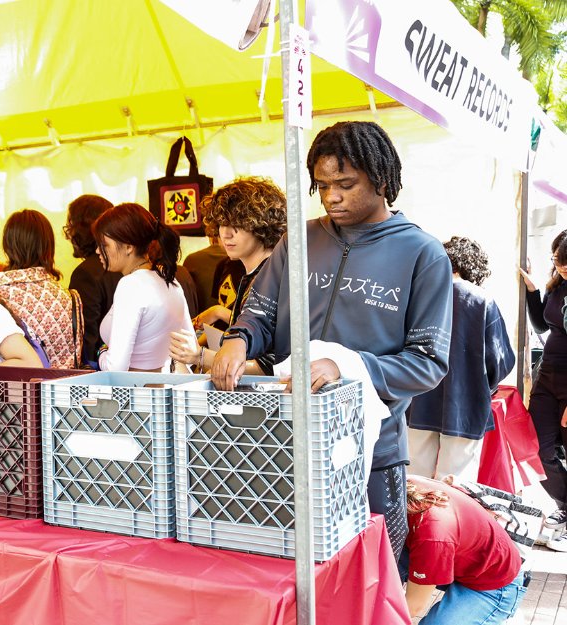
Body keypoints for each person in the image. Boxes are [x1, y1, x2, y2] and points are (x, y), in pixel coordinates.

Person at [210, 121, 453, 562]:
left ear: (382, 180)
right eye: (321, 185)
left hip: (371, 452)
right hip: (279, 440)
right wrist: (238, 340)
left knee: (372, 574)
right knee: (287, 566)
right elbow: (261, 313)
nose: (331, 197)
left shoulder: (423, 253)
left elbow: (428, 362)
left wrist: (347, 367)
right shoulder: (298, 239)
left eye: (345, 183)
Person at [407, 237, 514, 482]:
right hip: (465, 405)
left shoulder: (416, 294)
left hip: (417, 401)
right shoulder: (481, 300)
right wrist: (486, 387)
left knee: (413, 481)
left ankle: (414, 522)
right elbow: (500, 359)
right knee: (455, 484)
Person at [169, 177, 287, 374]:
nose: (226, 234)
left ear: (262, 225)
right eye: (222, 224)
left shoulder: (271, 278)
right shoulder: (252, 274)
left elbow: (273, 365)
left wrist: (200, 356)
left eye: (238, 224)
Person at [404, 476, 526, 624]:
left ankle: (495, 613)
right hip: (461, 555)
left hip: (495, 584)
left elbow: (414, 606)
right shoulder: (403, 482)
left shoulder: (432, 535)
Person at [91, 202, 194, 371]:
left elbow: (115, 368)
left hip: (136, 392)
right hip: (166, 387)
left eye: (104, 245)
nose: (97, 251)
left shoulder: (131, 285)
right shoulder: (170, 281)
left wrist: (102, 352)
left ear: (128, 247)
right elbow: (188, 352)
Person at [0, 209, 81, 368]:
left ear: (8, 245)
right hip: (61, 389)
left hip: (10, 389)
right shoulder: (67, 296)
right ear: (48, 246)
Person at [519, 229, 567, 542]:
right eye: (559, 263)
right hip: (548, 376)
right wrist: (533, 290)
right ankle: (564, 504)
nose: (563, 269)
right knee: (538, 447)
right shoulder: (558, 285)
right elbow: (540, 325)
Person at [63, 194, 123, 365]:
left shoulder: (85, 273)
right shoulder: (127, 265)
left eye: (71, 226)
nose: (69, 234)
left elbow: (86, 336)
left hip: (101, 368)